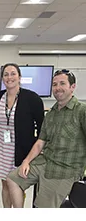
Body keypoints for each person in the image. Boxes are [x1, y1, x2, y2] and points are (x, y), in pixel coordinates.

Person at [7, 69, 86, 208]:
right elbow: (40, 142)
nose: (58, 88)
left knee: (41, 207)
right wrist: (26, 161)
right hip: (45, 161)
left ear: (72, 87)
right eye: (55, 84)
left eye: (62, 83)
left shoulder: (81, 111)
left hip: (65, 169)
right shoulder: (51, 114)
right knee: (12, 179)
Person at [0, 63, 44, 208]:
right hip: (1, 148)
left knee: (17, 185)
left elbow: (43, 128)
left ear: (19, 77)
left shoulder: (32, 98)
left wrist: (37, 151)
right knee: (5, 185)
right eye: (6, 74)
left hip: (20, 150)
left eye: (13, 73)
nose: (9, 77)